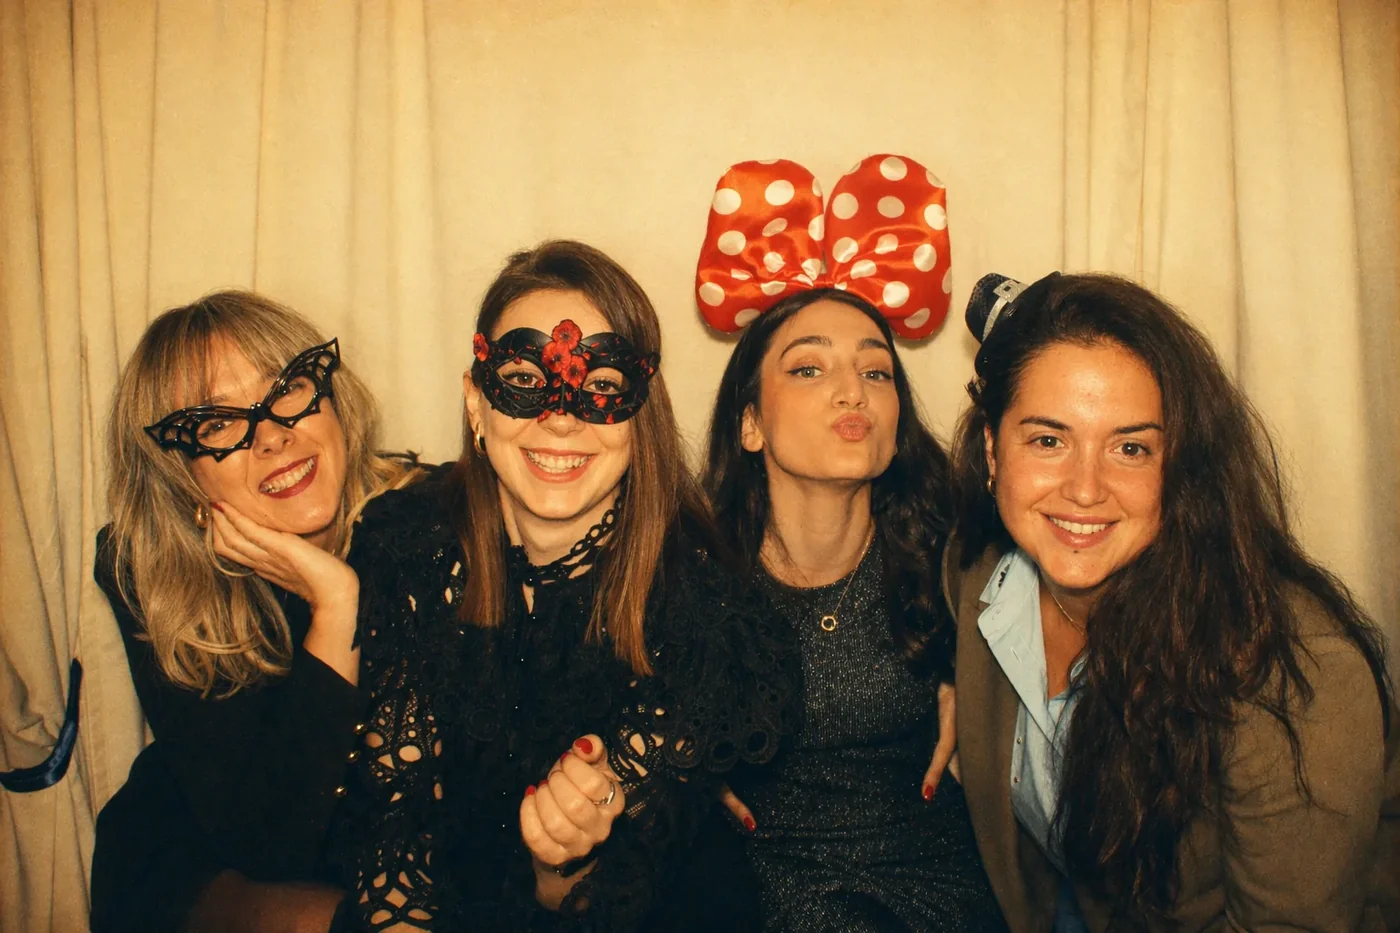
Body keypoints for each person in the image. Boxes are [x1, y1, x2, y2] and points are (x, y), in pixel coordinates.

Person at [329, 239, 794, 931]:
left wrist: (560, 862)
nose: (561, 415)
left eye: (602, 387)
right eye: (523, 377)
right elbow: (397, 829)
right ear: (476, 401)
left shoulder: (705, 613)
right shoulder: (408, 547)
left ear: (641, 416)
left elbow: (613, 895)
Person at [948, 271, 1400, 931]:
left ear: (1182, 467)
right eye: (1048, 439)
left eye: (1131, 448)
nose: (1084, 488)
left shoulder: (1288, 668)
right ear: (993, 451)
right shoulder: (976, 577)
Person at [697, 156, 1007, 931]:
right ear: (750, 422)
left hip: (944, 893)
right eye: (809, 368)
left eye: (877, 372)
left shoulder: (964, 565)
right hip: (768, 899)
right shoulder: (689, 574)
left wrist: (978, 685)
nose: (852, 391)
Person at [90, 290, 419, 932]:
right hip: (216, 858)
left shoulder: (426, 520)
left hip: (376, 837)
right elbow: (273, 842)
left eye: (289, 388)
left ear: (330, 397)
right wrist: (336, 604)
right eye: (216, 424)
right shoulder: (147, 569)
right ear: (176, 473)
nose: (272, 435)